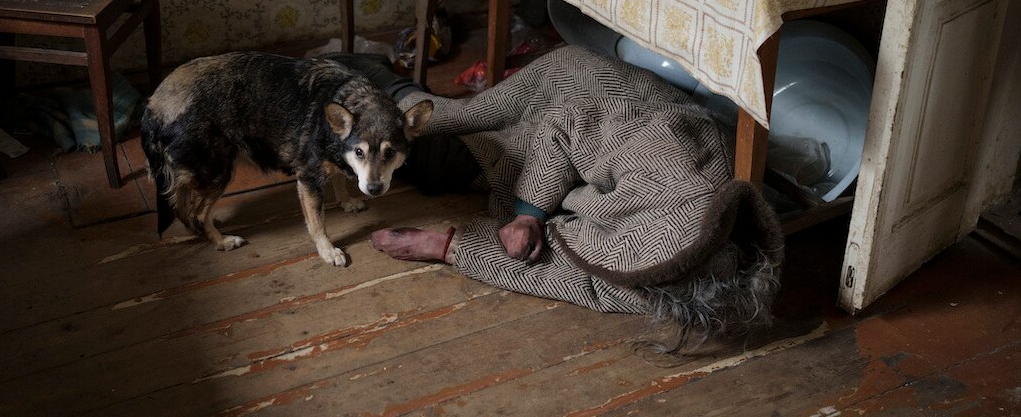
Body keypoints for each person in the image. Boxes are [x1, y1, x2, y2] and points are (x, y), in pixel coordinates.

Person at [326, 45, 784, 352]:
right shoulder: (666, 152)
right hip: (578, 92)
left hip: (585, 170)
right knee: (445, 120)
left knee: (434, 165)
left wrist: (448, 247)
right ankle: (364, 69)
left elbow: (578, 281)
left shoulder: (698, 282)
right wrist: (528, 214)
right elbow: (564, 124)